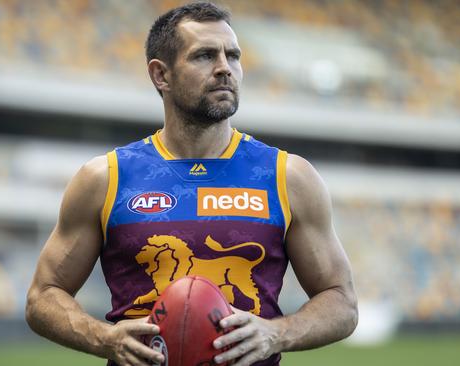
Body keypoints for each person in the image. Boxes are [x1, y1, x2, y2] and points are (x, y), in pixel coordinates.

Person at [25, 2, 358, 366]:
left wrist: (275, 333)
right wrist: (105, 339)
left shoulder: (288, 176)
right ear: (160, 75)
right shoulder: (105, 178)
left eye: (233, 56)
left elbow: (341, 300)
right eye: (204, 56)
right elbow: (43, 296)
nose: (224, 68)